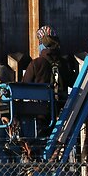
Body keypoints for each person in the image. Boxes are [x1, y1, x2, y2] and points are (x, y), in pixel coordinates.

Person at [22, 25, 76, 159]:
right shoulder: (64, 64)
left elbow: (23, 87)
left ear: (41, 44)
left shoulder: (36, 63)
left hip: (40, 113)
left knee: (36, 141)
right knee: (58, 141)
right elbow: (72, 82)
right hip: (61, 111)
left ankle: (37, 164)